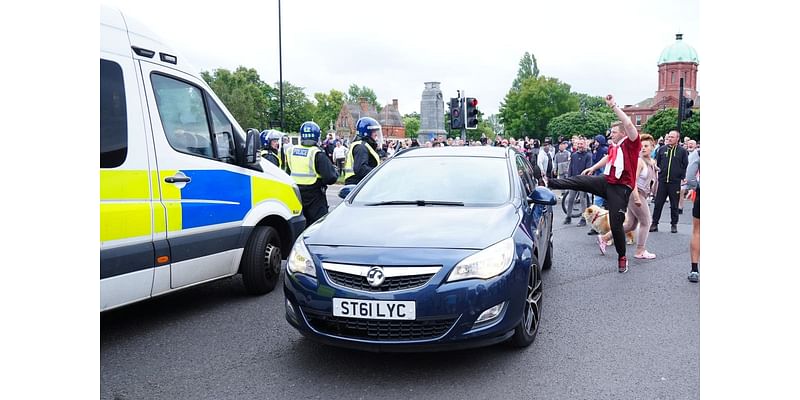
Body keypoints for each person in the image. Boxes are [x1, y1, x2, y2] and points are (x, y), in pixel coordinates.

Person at [547, 94, 642, 273]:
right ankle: (549, 183)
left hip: (620, 188)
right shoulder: (614, 146)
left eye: (614, 131)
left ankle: (622, 256)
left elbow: (629, 124)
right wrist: (593, 168)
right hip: (606, 181)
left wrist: (613, 105)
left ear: (622, 133)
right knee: (580, 181)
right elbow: (608, 157)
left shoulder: (632, 143)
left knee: (616, 224)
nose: (610, 134)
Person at [599, 133, 658, 259]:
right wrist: (636, 197)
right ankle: (640, 250)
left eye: (646, 146)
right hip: (635, 194)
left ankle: (605, 237)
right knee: (646, 222)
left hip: (641, 194)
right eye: (642, 146)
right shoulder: (639, 162)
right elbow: (633, 181)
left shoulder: (651, 162)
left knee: (631, 224)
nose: (643, 148)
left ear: (653, 147)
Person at [287, 122, 338, 227]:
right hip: (315, 196)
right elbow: (330, 177)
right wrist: (335, 172)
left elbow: (288, 171)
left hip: (295, 193)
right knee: (317, 226)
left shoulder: (291, 150)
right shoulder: (317, 153)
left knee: (299, 225)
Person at [650, 130, 689, 233]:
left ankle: (674, 224)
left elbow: (685, 165)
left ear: (677, 139)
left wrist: (682, 177)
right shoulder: (662, 149)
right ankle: (654, 223)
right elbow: (657, 163)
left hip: (675, 182)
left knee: (674, 204)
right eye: (669, 137)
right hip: (662, 181)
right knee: (658, 203)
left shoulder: (682, 151)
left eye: (672, 137)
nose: (669, 139)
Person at [563, 136, 593, 226]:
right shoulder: (574, 155)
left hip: (582, 181)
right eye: (578, 144)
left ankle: (583, 219)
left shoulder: (588, 156)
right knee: (570, 199)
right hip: (573, 181)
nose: (580, 145)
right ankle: (568, 217)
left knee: (583, 200)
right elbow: (570, 168)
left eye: (581, 144)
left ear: (585, 145)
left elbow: (588, 169)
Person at [344, 117, 383, 185]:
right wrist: (378, 171)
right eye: (374, 131)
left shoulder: (365, 146)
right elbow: (361, 169)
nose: (376, 134)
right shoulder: (361, 147)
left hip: (361, 183)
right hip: (357, 184)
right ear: (366, 132)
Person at [686, 148, 700, 282]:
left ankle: (695, 269)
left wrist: (696, 187)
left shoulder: (699, 153)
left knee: (697, 231)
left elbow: (690, 176)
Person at [678, 139, 698, 213]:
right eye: (689, 143)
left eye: (692, 144)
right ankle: (680, 207)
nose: (690, 145)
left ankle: (696, 207)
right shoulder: (683, 153)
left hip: (695, 178)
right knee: (681, 190)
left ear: (695, 145)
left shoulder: (698, 154)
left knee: (697, 194)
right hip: (685, 177)